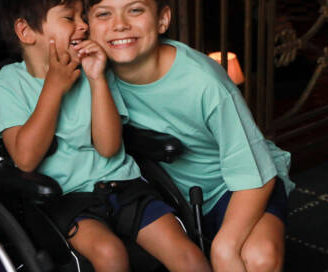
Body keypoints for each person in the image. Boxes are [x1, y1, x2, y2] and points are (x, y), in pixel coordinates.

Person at [0, 0, 210, 271]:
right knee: (110, 254)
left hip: (124, 184)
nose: (84, 25)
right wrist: (53, 88)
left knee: (187, 254)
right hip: (69, 198)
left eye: (83, 17)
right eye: (70, 18)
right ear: (26, 32)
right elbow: (25, 159)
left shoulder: (95, 68)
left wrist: (97, 79)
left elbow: (108, 147)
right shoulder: (7, 84)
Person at [84, 0, 296, 271]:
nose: (119, 24)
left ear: (162, 20)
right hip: (169, 193)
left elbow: (253, 170)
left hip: (237, 186)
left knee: (257, 257)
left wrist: (225, 246)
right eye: (103, 14)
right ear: (86, 26)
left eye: (135, 10)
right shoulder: (94, 75)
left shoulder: (204, 82)